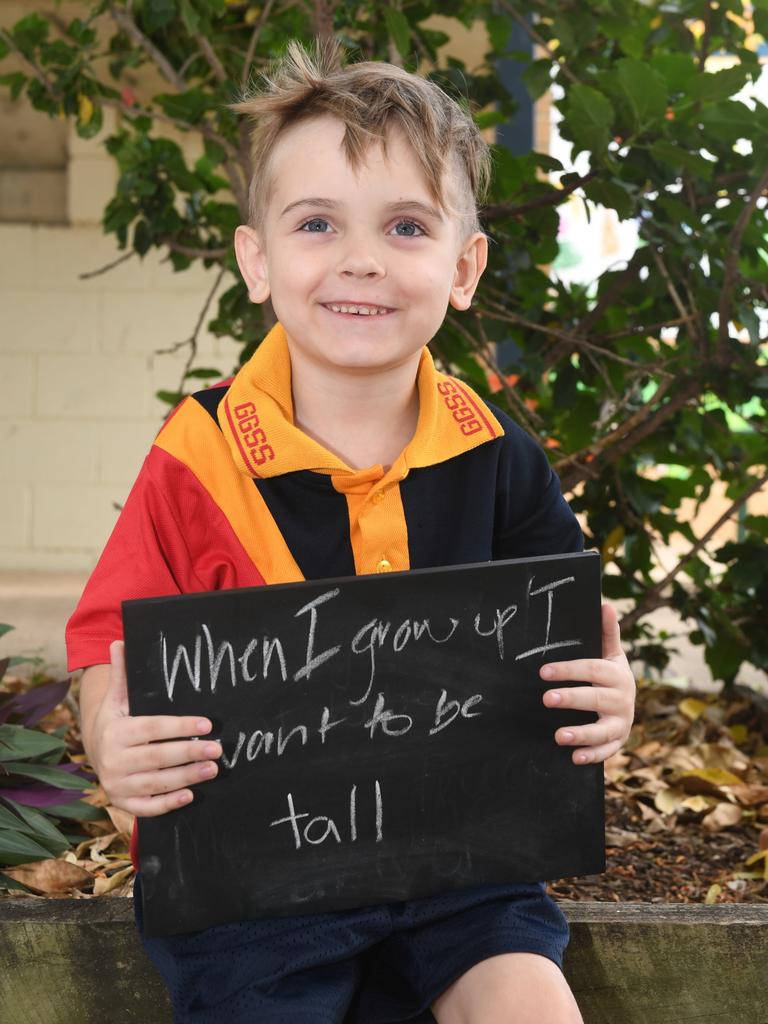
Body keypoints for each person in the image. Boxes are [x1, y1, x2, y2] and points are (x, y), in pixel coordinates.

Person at [66, 38, 635, 1024]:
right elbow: (103, 643)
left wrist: (607, 699)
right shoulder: (200, 455)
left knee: (530, 1003)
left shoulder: (496, 451)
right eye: (318, 222)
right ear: (258, 259)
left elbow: (571, 648)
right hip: (252, 879)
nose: (361, 259)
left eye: (406, 226)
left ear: (463, 269)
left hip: (460, 857)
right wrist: (112, 733)